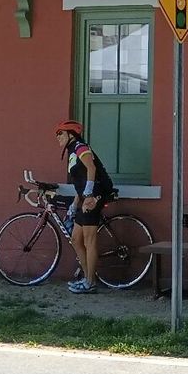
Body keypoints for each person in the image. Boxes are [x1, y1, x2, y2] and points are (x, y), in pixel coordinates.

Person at [55, 119, 113, 294]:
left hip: (95, 196)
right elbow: (80, 181)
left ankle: (90, 282)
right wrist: (74, 204)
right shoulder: (72, 151)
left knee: (89, 241)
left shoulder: (80, 147)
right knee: (75, 239)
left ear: (71, 135)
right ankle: (87, 277)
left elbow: (91, 169)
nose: (57, 137)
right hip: (85, 197)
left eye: (60, 134)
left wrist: (88, 195)